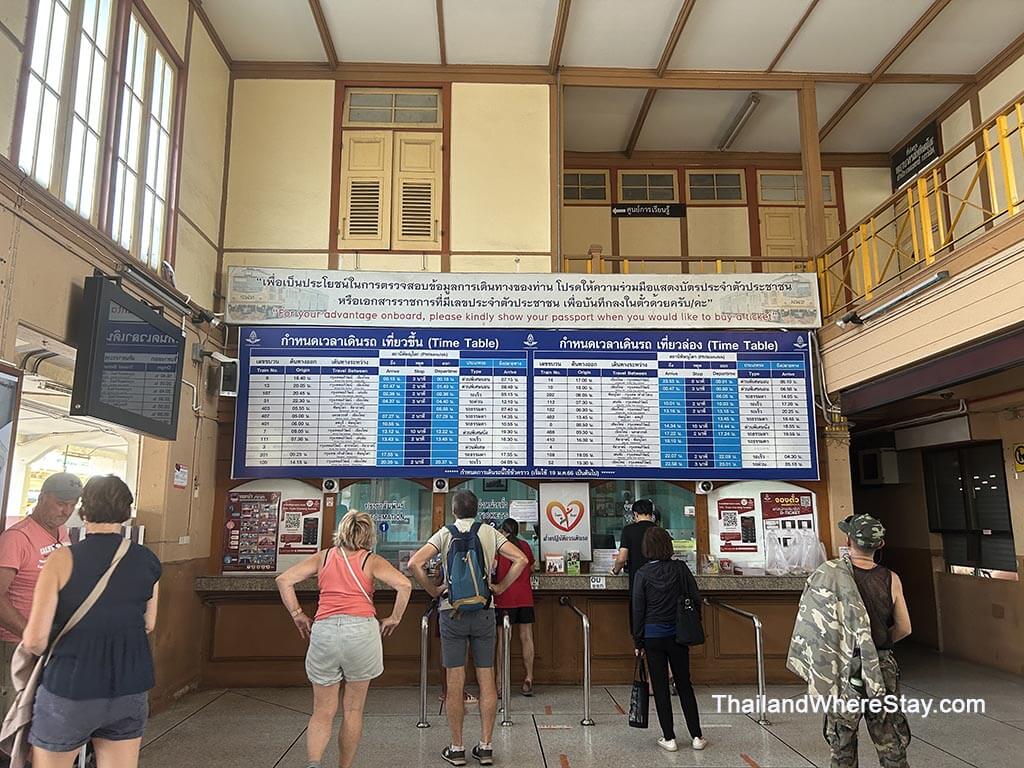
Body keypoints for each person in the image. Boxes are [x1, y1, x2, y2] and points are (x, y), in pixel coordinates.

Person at [20, 475, 159, 767]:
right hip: (129, 685)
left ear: (84, 511)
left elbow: (35, 639)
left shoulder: (62, 559)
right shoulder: (148, 559)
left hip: (71, 686)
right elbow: (150, 623)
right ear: (127, 512)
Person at [276, 510, 412, 768]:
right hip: (361, 632)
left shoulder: (323, 557)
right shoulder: (371, 561)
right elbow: (404, 585)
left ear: (341, 530)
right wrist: (394, 617)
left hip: (324, 630)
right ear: (368, 535)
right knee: (352, 710)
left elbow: (284, 580)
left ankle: (314, 763)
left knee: (322, 711)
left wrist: (298, 615)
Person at [408, 490, 529, 767]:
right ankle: (486, 747)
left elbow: (415, 563)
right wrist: (499, 587)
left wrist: (434, 590)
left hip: (453, 612)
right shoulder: (489, 532)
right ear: (477, 510)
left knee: (455, 680)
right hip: (485, 610)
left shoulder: (445, 533)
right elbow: (520, 559)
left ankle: (457, 747)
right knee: (487, 678)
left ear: (453, 511)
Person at [787, 513, 912, 768]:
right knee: (889, 738)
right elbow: (905, 628)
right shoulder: (891, 579)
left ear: (848, 540)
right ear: (880, 545)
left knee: (842, 741)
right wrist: (877, 647)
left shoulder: (828, 574)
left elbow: (813, 627)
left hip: (843, 667)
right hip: (881, 667)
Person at [0, 472, 80, 714]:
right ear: (42, 497)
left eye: (72, 504)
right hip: (18, 645)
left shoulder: (62, 533)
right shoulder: (17, 538)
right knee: (14, 720)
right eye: (61, 503)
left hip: (52, 642)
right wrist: (29, 635)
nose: (66, 510)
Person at [631, 527, 706, 753]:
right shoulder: (680, 569)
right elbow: (695, 598)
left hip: (653, 636)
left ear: (647, 548)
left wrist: (638, 641)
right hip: (678, 635)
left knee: (661, 688)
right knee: (684, 684)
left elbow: (638, 610)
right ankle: (696, 736)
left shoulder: (642, 574)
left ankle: (669, 737)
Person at [493, 518, 536, 697]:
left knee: (503, 640)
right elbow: (532, 566)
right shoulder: (525, 545)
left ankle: (501, 683)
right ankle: (529, 678)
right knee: (526, 637)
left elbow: (492, 569)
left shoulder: (500, 548)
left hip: (504, 598)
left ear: (504, 531)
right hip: (525, 597)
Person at [611, 499, 657, 632]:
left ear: (635, 514)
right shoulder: (659, 530)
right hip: (658, 581)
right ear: (651, 513)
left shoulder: (629, 530)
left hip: (637, 580)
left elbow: (621, 558)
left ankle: (639, 646)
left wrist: (615, 571)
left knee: (638, 616)